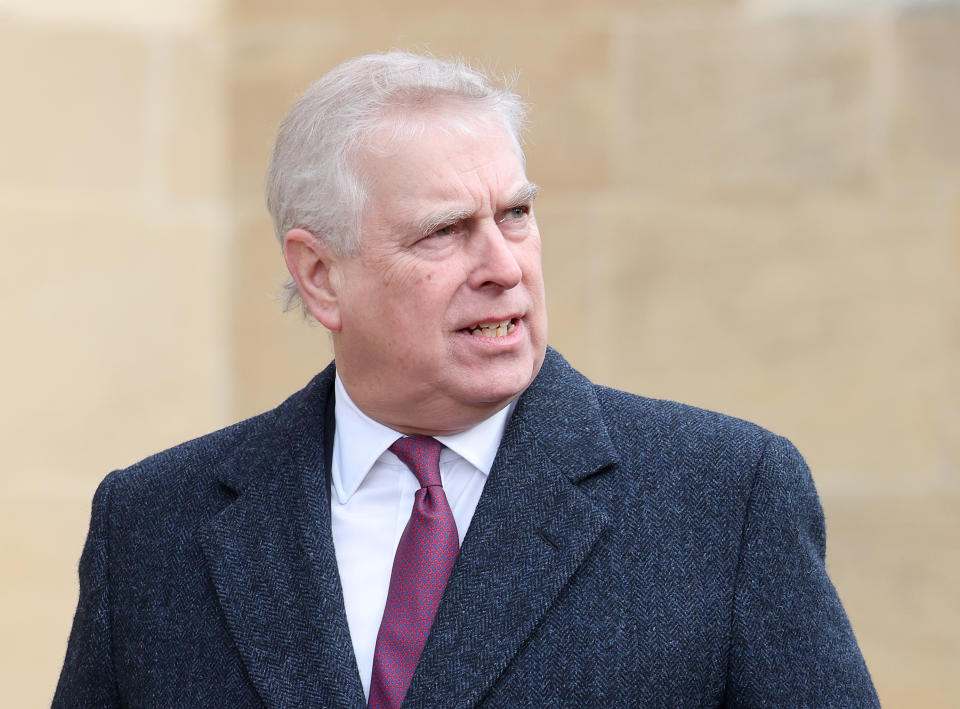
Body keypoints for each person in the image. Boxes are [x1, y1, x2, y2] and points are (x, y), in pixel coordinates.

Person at [54, 51, 879, 708]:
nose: (503, 266)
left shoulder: (725, 495)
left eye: (515, 214)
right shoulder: (151, 523)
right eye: (446, 231)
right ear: (320, 275)